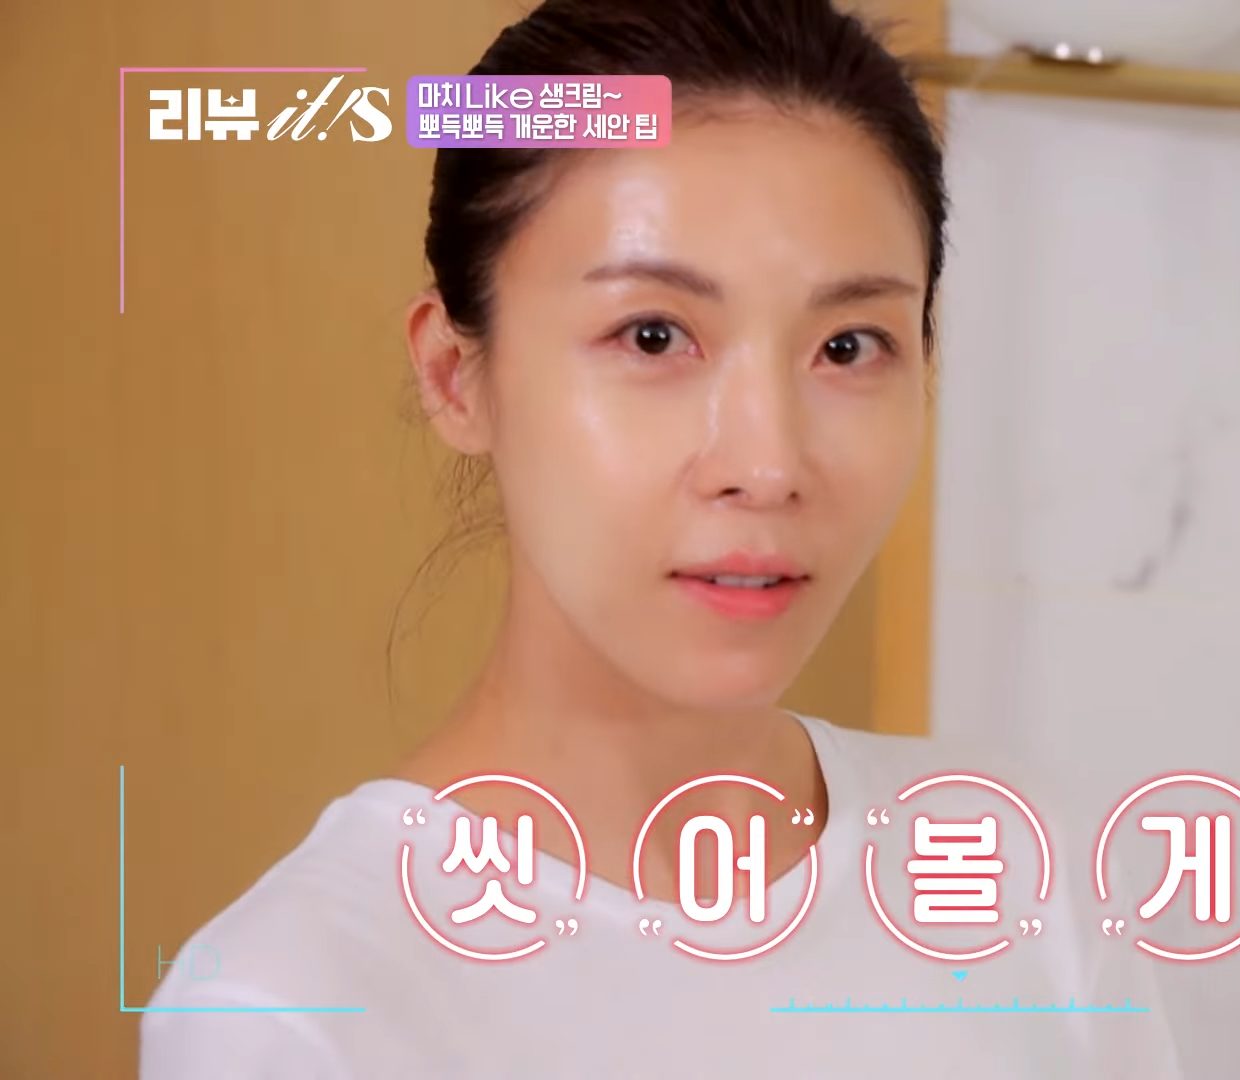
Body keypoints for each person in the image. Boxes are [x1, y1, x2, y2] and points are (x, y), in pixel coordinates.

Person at [140, 2, 1184, 1076]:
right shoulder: (296, 1009)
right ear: (456, 376)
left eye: (847, 346)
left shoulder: (1026, 875)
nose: (768, 464)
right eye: (653, 336)